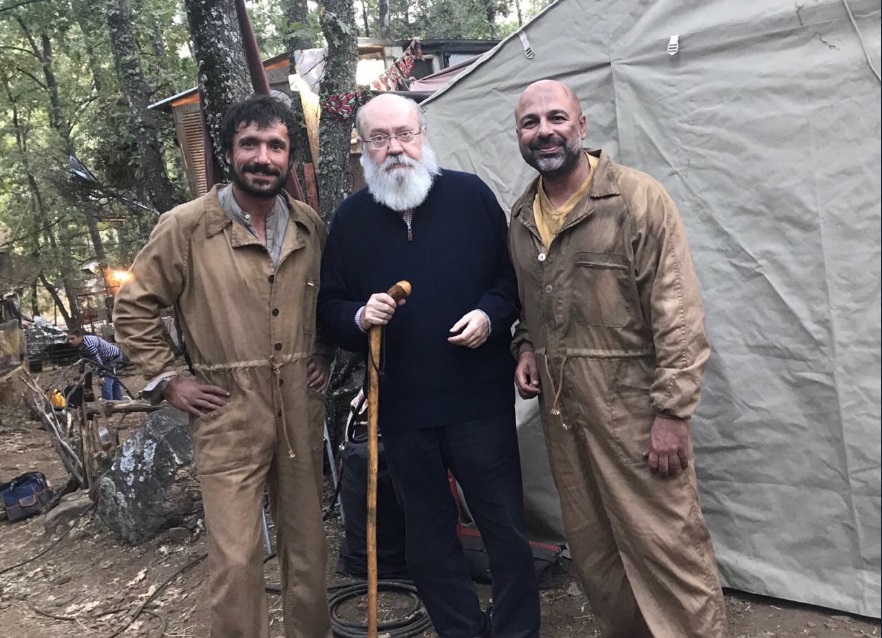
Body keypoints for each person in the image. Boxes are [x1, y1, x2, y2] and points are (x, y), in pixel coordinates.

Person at [508, 79, 727, 638]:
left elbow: (677, 312)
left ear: (582, 125)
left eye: (556, 118)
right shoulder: (522, 217)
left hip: (634, 411)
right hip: (564, 416)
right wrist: (526, 345)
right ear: (519, 136)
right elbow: (525, 303)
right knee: (595, 552)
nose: (544, 131)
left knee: (666, 548)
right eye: (530, 123)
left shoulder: (635, 199)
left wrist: (673, 414)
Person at [318, 93, 540, 638]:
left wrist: (491, 315)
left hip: (478, 401)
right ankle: (461, 630)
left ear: (423, 133)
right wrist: (359, 315)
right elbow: (328, 308)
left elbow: (511, 281)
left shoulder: (470, 196)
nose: (395, 148)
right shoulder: (349, 220)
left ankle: (516, 631)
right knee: (429, 537)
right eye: (379, 138)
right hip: (402, 407)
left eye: (404, 133)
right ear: (363, 147)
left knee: (505, 528)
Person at [112, 95, 333, 638]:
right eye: (250, 145)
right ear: (228, 153)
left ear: (289, 156)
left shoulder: (308, 226)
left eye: (276, 146)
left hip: (299, 409)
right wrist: (168, 381)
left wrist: (324, 351)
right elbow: (134, 305)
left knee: (307, 551)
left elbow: (329, 299)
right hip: (227, 411)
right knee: (236, 560)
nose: (263, 157)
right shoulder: (188, 226)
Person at [66, 328, 125, 400]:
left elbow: (97, 361)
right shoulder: (80, 344)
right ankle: (119, 403)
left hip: (112, 358)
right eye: (69, 339)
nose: (70, 341)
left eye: (72, 339)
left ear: (80, 337)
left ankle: (108, 406)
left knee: (105, 383)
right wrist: (80, 372)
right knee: (114, 380)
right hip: (105, 359)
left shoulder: (89, 345)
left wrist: (101, 375)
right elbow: (84, 358)